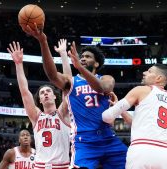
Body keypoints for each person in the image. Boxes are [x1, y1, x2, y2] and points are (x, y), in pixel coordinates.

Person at [23, 25, 127, 169]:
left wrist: (80, 67)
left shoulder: (106, 78)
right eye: (82, 56)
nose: (83, 58)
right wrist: (43, 41)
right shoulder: (71, 82)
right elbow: (52, 75)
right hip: (84, 141)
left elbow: (102, 88)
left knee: (133, 163)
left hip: (108, 137)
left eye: (87, 57)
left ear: (96, 63)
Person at [7, 41, 70, 169]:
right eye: (42, 93)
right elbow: (24, 91)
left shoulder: (63, 113)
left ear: (54, 96)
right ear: (40, 100)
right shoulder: (36, 116)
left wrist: (63, 54)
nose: (45, 93)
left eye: (48, 91)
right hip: (39, 166)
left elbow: (68, 85)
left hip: (62, 166)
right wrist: (18, 64)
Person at [102, 64, 167, 169]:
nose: (144, 73)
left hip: (141, 150)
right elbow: (137, 124)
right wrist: (122, 111)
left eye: (149, 71)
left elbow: (107, 117)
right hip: (165, 154)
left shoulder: (141, 90)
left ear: (159, 78)